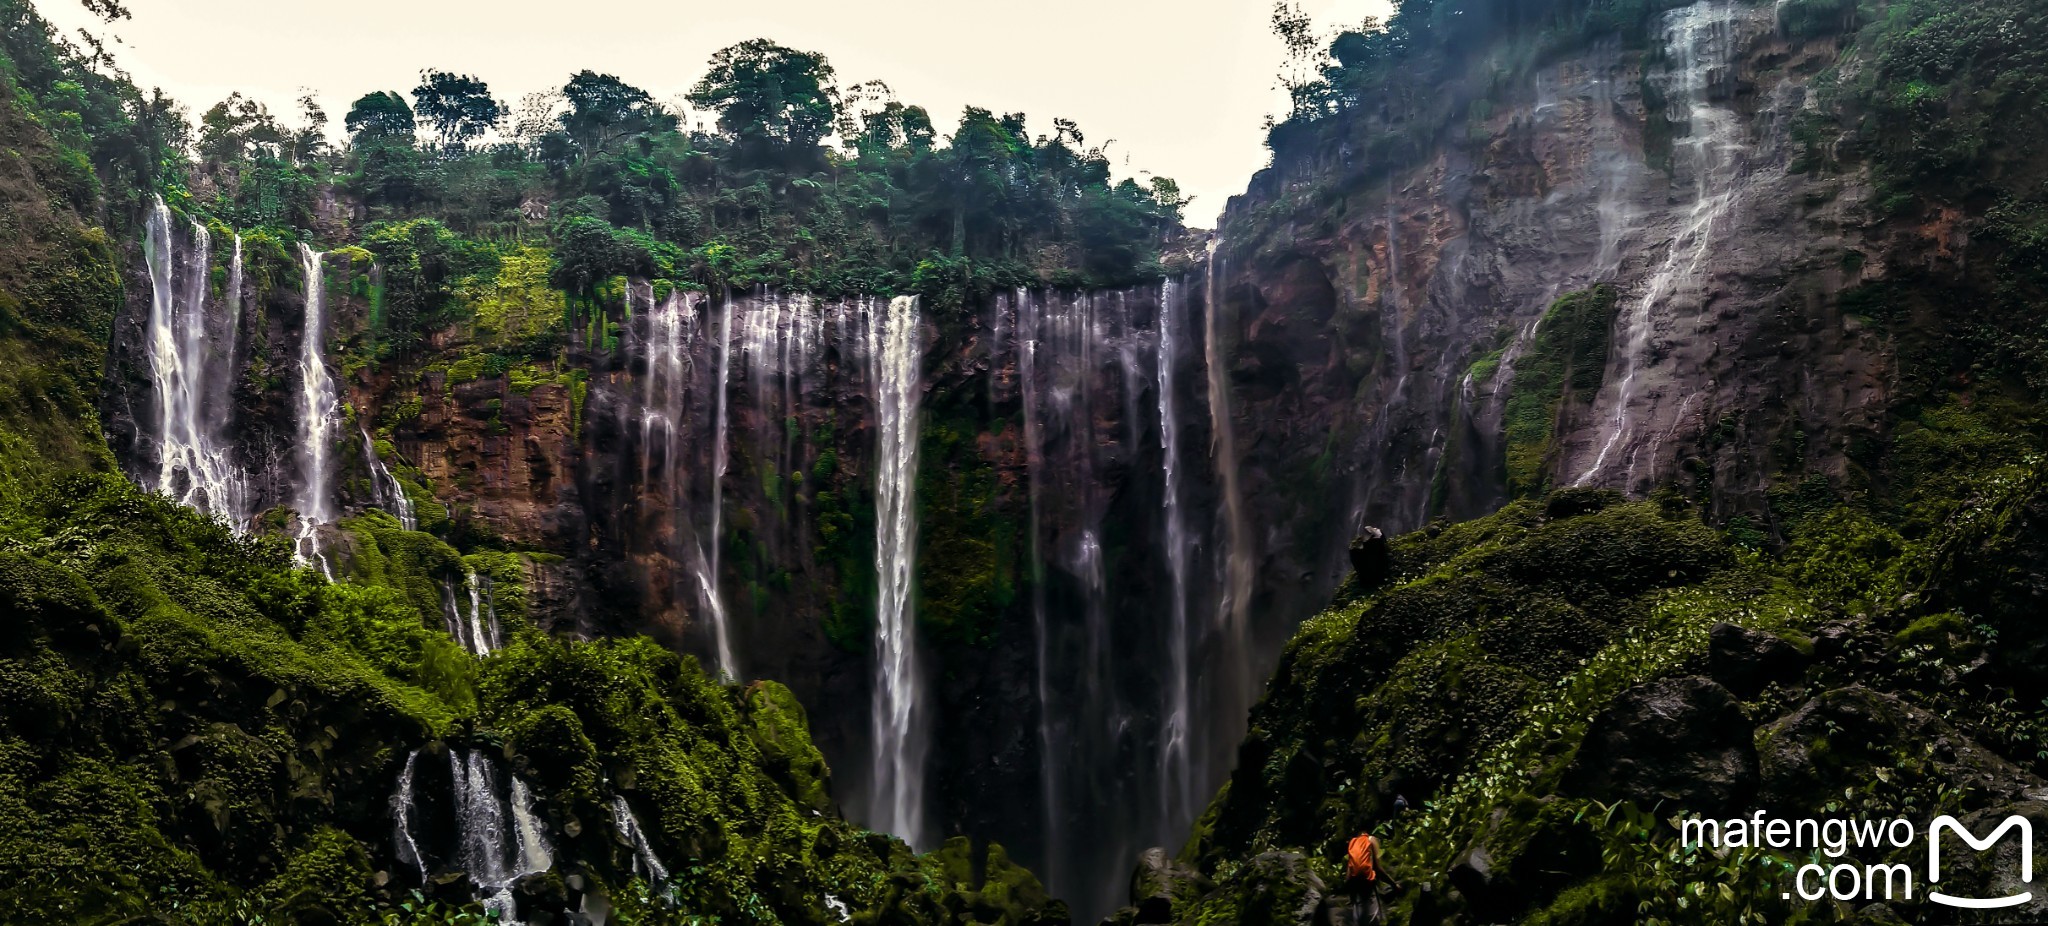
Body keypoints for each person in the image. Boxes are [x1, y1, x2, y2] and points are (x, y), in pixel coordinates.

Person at [1343, 831, 1400, 924]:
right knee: (1373, 919)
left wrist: (1351, 896)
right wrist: (1394, 884)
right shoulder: (1372, 840)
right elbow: (1378, 869)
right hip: (1368, 886)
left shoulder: (1353, 842)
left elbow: (1348, 877)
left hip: (1356, 888)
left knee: (1360, 919)